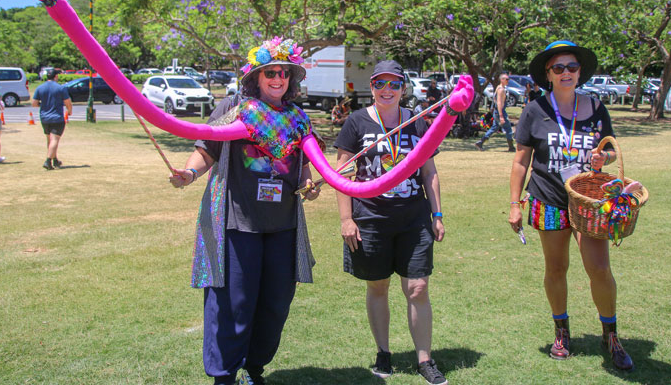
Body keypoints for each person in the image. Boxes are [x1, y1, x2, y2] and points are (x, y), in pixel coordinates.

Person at [169, 37, 320, 385]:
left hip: (282, 225)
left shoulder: (298, 117)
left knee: (275, 302)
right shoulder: (235, 107)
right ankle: (224, 376)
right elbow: (207, 146)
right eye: (270, 72)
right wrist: (189, 174)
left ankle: (255, 369)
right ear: (257, 76)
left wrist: (310, 185)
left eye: (284, 73)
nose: (278, 79)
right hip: (237, 223)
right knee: (232, 303)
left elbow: (306, 163)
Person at [508, 40, 633, 371]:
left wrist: (602, 156)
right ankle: (561, 331)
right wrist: (514, 203)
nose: (566, 73)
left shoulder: (595, 106)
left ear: (580, 73)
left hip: (589, 202)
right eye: (559, 68)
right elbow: (521, 161)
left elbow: (611, 151)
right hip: (548, 198)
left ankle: (611, 335)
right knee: (556, 268)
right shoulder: (535, 110)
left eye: (572, 67)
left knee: (599, 268)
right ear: (548, 74)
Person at [334, 60, 448, 385]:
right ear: (371, 87)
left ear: (403, 88)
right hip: (370, 219)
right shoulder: (355, 123)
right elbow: (342, 174)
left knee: (418, 287)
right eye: (380, 84)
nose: (387, 90)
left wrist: (437, 214)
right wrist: (346, 218)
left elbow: (429, 172)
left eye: (394, 84)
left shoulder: (417, 122)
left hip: (414, 218)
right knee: (378, 285)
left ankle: (424, 360)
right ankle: (383, 352)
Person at [32, 68, 72, 170]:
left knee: (49, 139)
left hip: (44, 117)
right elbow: (67, 102)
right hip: (57, 117)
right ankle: (48, 160)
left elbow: (34, 104)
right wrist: (69, 111)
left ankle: (55, 160)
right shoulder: (60, 88)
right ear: (56, 76)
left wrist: (43, 105)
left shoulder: (40, 88)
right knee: (54, 140)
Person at [474, 73, 515, 152]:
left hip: (497, 111)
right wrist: (501, 115)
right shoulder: (501, 90)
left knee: (494, 127)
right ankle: (511, 147)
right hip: (500, 111)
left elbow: (495, 101)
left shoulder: (499, 88)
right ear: (502, 80)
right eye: (506, 79)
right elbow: (499, 102)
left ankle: (480, 142)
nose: (508, 81)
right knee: (508, 129)